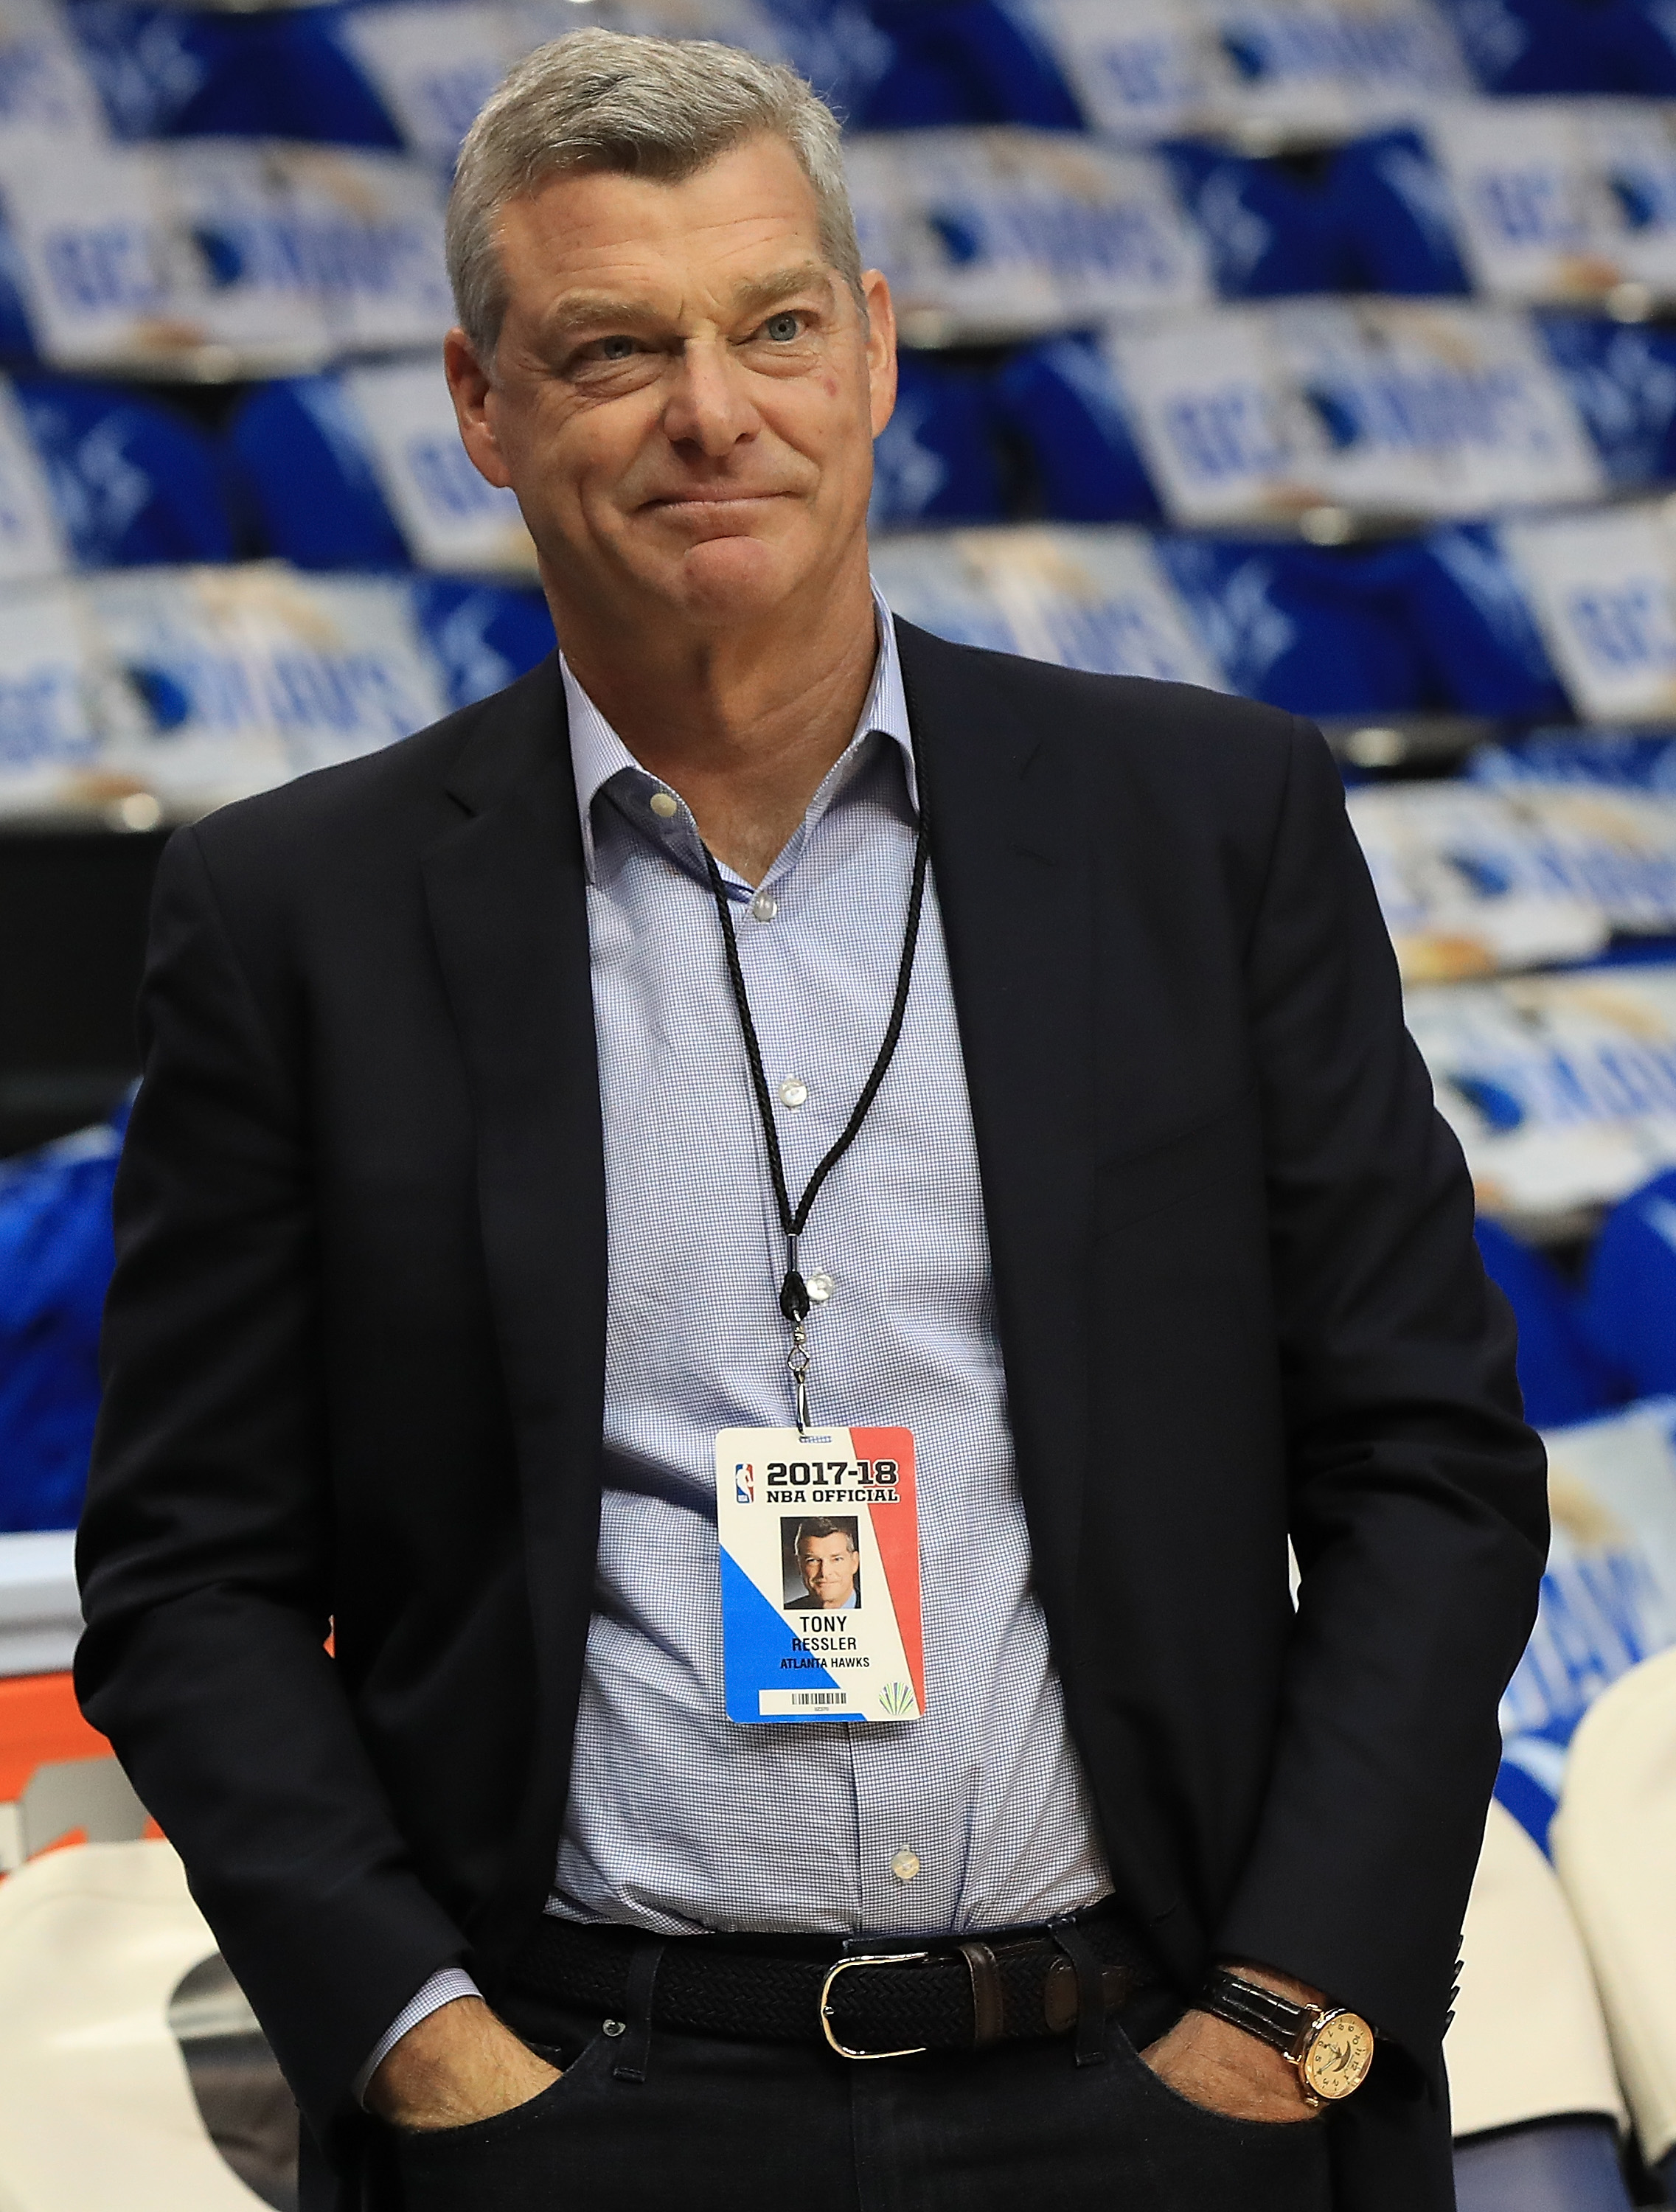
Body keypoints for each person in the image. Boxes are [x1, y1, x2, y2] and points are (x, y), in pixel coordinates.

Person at [75, 28, 1548, 2212]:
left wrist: (1281, 2017)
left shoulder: (1200, 823)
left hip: (1147, 2089)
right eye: (611, 346)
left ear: (868, 355)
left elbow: (1424, 1459)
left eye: (771, 326)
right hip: (588, 2114)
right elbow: (189, 1568)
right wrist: (422, 2051)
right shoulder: (295, 915)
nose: (709, 410)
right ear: (482, 407)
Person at [785, 1518, 860, 1609]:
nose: (824, 1573)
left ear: (854, 1562)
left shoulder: (878, 1610)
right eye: (813, 1560)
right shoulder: (781, 1615)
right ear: (798, 1565)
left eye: (837, 1559)